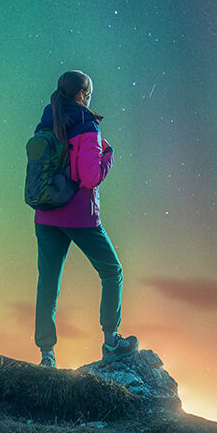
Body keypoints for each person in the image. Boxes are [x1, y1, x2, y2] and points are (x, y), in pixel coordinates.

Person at [32, 70, 137, 367]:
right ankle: (111, 342)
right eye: (88, 94)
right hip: (79, 216)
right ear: (81, 95)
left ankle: (46, 355)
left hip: (46, 214)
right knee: (112, 271)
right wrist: (108, 156)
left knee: (48, 284)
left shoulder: (44, 123)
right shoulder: (87, 125)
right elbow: (90, 177)